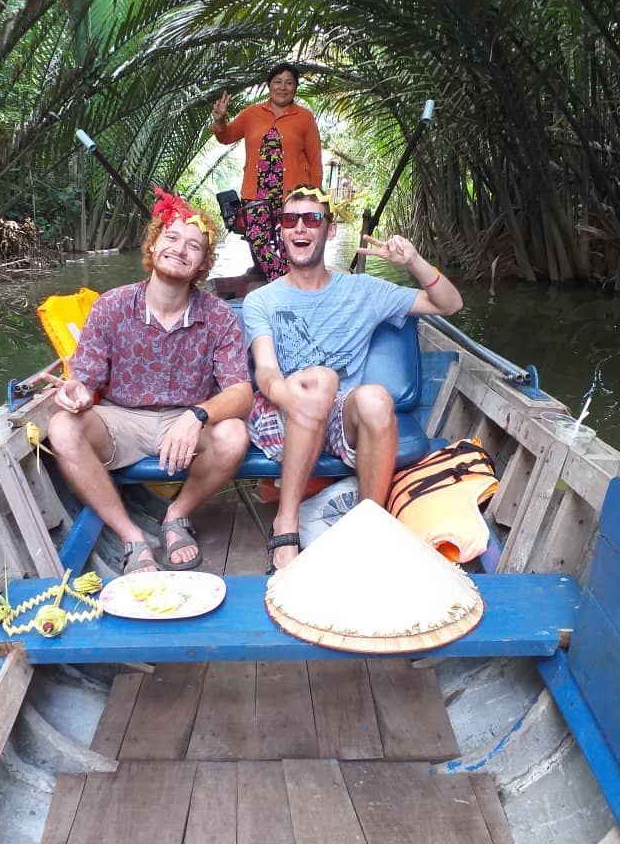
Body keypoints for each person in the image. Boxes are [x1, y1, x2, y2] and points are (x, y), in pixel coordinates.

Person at [241, 185, 464, 573]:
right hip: (282, 412)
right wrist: (287, 395)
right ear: (281, 232)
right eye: (290, 220)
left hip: (339, 417)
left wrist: (412, 261)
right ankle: (286, 521)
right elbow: (266, 370)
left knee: (376, 397)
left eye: (313, 219)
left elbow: (450, 304)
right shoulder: (263, 300)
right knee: (321, 380)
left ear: (329, 231)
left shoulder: (364, 291)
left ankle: (369, 526)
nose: (301, 228)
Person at [46, 189, 253, 574]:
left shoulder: (219, 317)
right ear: (154, 244)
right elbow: (86, 382)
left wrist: (196, 416)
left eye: (194, 245)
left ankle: (176, 516)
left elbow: (241, 393)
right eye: (172, 238)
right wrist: (75, 392)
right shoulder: (111, 306)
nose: (180, 249)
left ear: (202, 263)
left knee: (235, 435)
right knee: (61, 428)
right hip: (120, 419)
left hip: (186, 422)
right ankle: (131, 536)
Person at [211, 62, 323, 280]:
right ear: (269, 85)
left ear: (295, 88)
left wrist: (316, 199)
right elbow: (225, 136)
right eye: (278, 82)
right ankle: (282, 281)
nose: (283, 87)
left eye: (289, 83)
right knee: (257, 240)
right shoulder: (253, 113)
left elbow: (315, 160)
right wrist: (220, 120)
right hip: (256, 195)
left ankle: (285, 284)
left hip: (293, 197)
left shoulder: (304, 117)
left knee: (289, 244)